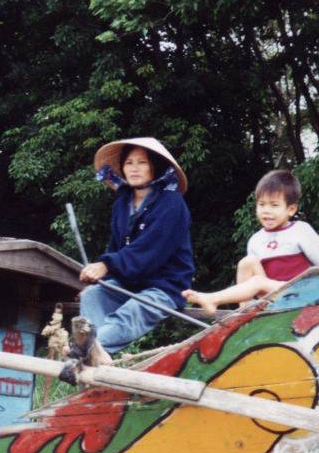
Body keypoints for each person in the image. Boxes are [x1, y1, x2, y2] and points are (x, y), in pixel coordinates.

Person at [79, 137, 194, 361]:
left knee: (131, 313)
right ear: (121, 167)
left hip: (164, 285)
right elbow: (116, 247)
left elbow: (148, 253)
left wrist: (106, 265)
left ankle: (86, 351)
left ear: (155, 167)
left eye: (142, 162)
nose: (134, 168)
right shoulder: (122, 203)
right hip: (129, 282)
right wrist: (101, 276)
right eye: (129, 163)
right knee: (92, 296)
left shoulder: (172, 204)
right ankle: (93, 358)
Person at [182, 170, 319, 315]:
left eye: (274, 205)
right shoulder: (256, 240)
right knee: (247, 262)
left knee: (259, 282)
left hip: (303, 294)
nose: (266, 211)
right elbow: (255, 280)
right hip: (275, 297)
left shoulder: (301, 230)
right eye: (262, 204)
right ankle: (245, 310)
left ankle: (213, 299)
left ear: (291, 209)